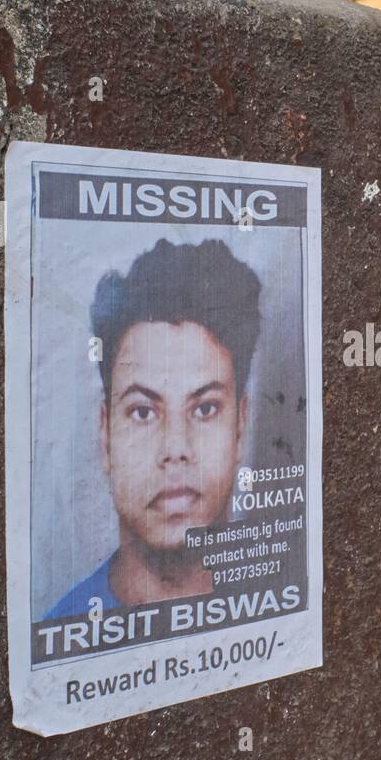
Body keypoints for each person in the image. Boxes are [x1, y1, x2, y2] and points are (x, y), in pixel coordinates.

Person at [46, 238, 262, 619]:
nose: (175, 448)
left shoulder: (274, 605)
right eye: (143, 412)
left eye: (206, 408)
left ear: (240, 427)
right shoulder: (63, 627)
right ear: (106, 435)